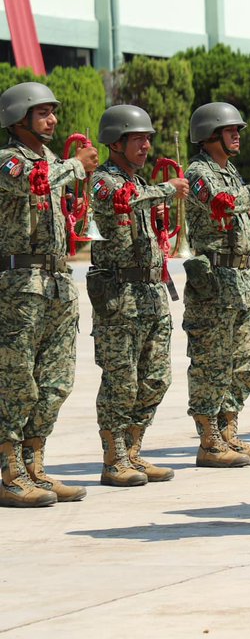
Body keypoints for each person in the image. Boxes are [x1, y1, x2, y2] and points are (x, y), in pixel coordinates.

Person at [0, 82, 98, 507]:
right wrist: (76, 166)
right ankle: (8, 471)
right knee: (16, 379)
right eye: (43, 113)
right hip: (20, 287)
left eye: (53, 112)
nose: (53, 120)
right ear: (19, 118)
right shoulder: (7, 162)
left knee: (55, 382)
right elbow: (32, 183)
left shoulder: (56, 162)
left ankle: (34, 464)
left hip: (57, 283)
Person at [184, 102, 250, 468]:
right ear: (210, 135)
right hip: (215, 284)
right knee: (211, 364)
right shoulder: (200, 172)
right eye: (230, 130)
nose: (236, 136)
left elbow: (235, 207)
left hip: (242, 282)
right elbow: (223, 203)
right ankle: (209, 440)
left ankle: (229, 431)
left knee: (243, 364)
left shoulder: (228, 171)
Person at [89, 104, 188, 487]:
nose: (146, 144)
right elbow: (121, 200)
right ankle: (114, 458)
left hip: (150, 292)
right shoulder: (105, 180)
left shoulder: (139, 181)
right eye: (137, 138)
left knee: (156, 377)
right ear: (116, 142)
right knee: (121, 380)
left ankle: (133, 449)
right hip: (119, 295)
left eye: (148, 138)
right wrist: (165, 189)